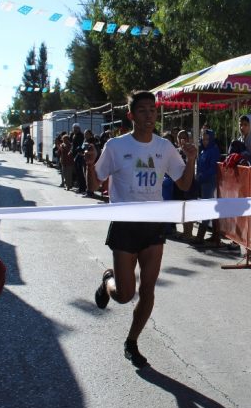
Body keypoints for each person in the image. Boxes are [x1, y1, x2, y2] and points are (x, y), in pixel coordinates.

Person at [84, 90, 197, 368]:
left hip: (153, 226)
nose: (149, 115)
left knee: (148, 290)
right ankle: (108, 281)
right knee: (125, 295)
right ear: (131, 115)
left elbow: (183, 184)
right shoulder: (115, 146)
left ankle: (132, 342)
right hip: (124, 227)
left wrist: (191, 159)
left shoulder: (165, 147)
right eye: (143, 110)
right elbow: (93, 185)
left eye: (153, 110)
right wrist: (89, 165)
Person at [194, 128, 221, 245]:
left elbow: (213, 168)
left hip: (209, 182)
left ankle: (200, 236)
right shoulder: (203, 151)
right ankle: (213, 236)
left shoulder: (213, 150)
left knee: (206, 208)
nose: (205, 141)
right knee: (206, 207)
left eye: (207, 139)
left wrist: (202, 175)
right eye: (203, 139)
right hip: (203, 182)